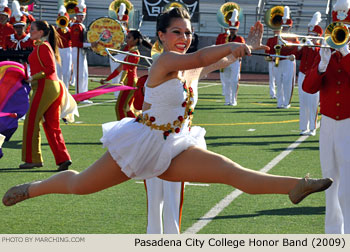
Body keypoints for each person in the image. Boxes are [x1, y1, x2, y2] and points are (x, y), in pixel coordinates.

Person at [3, 8, 332, 225]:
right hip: (142, 142)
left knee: (233, 173)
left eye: (187, 32)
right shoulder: (163, 62)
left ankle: (296, 186)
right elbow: (204, 55)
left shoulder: (190, 64)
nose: (184, 38)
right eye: (177, 32)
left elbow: (218, 61)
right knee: (80, 185)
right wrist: (234, 44)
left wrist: (251, 47)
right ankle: (32, 189)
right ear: (161, 36)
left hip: (176, 145)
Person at [303, 0, 350, 234]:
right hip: (329, 123)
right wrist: (321, 66)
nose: (342, 31)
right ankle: (333, 235)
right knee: (329, 181)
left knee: (349, 186)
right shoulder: (325, 51)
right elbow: (308, 87)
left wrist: (346, 53)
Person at [133, 74, 185, 234]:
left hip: (175, 145)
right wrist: (145, 87)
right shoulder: (146, 79)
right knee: (154, 200)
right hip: (152, 143)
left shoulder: (186, 76)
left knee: (173, 198)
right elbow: (138, 105)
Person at [18, 20, 72, 171]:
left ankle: (33, 159)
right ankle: (63, 159)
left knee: (31, 121)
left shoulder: (42, 46)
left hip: (45, 86)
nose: (30, 32)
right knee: (51, 125)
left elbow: (49, 68)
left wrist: (32, 78)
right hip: (50, 87)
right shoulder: (42, 46)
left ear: (41, 32)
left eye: (32, 29)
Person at [100, 30, 152, 120]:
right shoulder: (130, 53)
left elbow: (127, 70)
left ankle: (123, 129)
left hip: (130, 82)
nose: (126, 40)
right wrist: (107, 79)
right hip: (129, 81)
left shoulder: (134, 54)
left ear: (135, 40)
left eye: (129, 38)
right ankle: (136, 126)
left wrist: (121, 81)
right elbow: (119, 69)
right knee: (127, 108)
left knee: (120, 108)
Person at [294, 12, 322, 136]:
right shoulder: (306, 45)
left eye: (313, 35)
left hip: (313, 76)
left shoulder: (321, 47)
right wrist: (299, 47)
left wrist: (312, 46)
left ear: (318, 36)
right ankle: (303, 127)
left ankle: (312, 128)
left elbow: (319, 56)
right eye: (309, 34)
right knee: (303, 102)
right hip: (302, 74)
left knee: (313, 103)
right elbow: (298, 55)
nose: (310, 36)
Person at [273, 6, 298, 109]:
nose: (284, 29)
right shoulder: (278, 36)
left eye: (286, 27)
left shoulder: (294, 37)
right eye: (283, 27)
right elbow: (273, 48)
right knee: (279, 82)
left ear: (290, 27)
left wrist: (286, 43)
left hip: (288, 60)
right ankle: (279, 102)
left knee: (288, 83)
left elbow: (295, 48)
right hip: (279, 60)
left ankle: (286, 103)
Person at [70, 0, 93, 104]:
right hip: (77, 50)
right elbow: (76, 43)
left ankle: (84, 95)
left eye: (83, 15)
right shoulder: (75, 26)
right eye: (80, 15)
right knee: (79, 74)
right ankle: (79, 96)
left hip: (82, 50)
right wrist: (90, 45)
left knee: (84, 74)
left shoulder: (81, 26)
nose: (81, 17)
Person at [221, 9, 245, 106]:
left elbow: (243, 51)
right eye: (231, 29)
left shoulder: (240, 39)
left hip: (235, 60)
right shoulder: (225, 38)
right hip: (226, 61)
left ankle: (233, 100)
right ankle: (227, 100)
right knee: (226, 81)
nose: (232, 31)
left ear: (237, 30)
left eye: (234, 29)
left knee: (234, 81)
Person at [56, 5, 72, 90]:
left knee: (66, 71)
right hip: (58, 50)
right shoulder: (56, 30)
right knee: (58, 71)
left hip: (67, 50)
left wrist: (67, 28)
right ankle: (60, 89)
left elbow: (72, 38)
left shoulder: (69, 30)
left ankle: (66, 88)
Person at [265, 30, 280, 99]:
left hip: (279, 59)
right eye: (275, 31)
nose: (276, 32)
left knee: (279, 78)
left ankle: (279, 93)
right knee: (272, 78)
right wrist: (269, 59)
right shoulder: (270, 40)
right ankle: (272, 94)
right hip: (272, 59)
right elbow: (267, 51)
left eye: (278, 31)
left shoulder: (281, 39)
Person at [215, 29, 229, 96]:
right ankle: (224, 90)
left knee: (230, 75)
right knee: (222, 74)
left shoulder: (233, 37)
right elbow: (217, 44)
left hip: (230, 57)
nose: (227, 29)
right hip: (221, 56)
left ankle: (229, 90)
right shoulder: (221, 36)